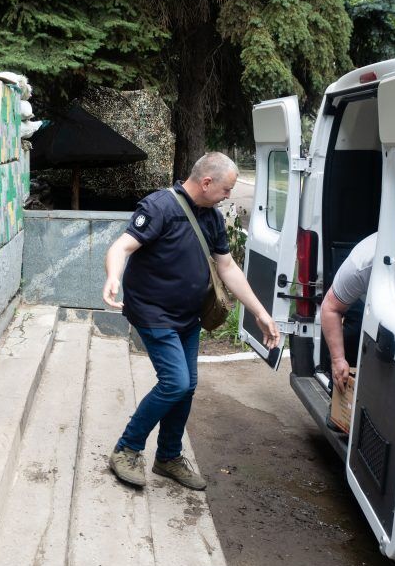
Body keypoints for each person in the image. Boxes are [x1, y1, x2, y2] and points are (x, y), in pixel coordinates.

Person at [101, 153, 280, 490]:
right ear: (206, 182)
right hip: (154, 313)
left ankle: (168, 456)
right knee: (175, 383)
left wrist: (259, 311)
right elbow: (121, 248)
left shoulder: (211, 217)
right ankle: (127, 448)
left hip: (187, 316)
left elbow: (227, 267)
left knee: (187, 386)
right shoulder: (159, 207)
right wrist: (113, 277)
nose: (229, 195)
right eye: (227, 189)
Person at [321, 233, 376, 391]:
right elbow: (330, 308)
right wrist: (338, 360)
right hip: (363, 298)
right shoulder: (362, 263)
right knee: (350, 340)